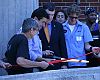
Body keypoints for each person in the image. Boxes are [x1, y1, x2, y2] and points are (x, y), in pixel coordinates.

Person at [63, 4, 100, 68]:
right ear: (68, 15)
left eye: (76, 17)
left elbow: (87, 45)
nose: (74, 19)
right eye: (71, 17)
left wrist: (92, 48)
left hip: (80, 62)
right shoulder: (62, 27)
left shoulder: (84, 27)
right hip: (66, 62)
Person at [38, 2, 68, 69]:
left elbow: (62, 45)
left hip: (56, 61)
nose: (50, 17)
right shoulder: (38, 25)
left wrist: (64, 63)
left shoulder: (58, 26)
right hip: (42, 62)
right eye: (48, 14)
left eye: (52, 15)